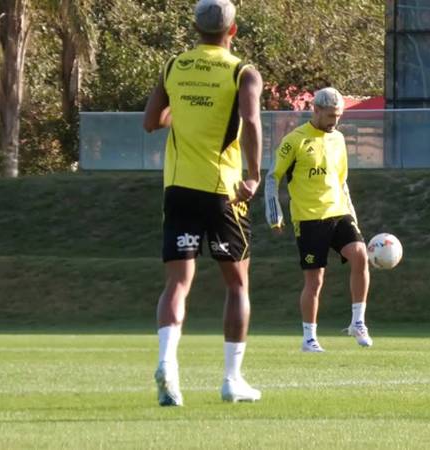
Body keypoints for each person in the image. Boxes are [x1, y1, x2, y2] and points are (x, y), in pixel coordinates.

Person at [142, 0, 263, 405]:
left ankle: (168, 365)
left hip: (178, 188)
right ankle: (232, 379)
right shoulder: (242, 71)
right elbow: (250, 122)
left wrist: (185, 114)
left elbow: (151, 121)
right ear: (233, 30)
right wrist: (253, 174)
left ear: (195, 29)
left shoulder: (175, 65)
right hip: (223, 190)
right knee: (237, 284)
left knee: (177, 284)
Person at [265, 87, 372, 353]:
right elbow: (272, 177)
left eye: (338, 116)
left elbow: (342, 180)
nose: (334, 121)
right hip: (309, 218)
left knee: (360, 254)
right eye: (330, 115)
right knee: (315, 280)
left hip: (338, 211)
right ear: (315, 110)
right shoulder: (295, 140)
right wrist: (274, 212)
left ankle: (357, 322)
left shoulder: (338, 139)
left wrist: (353, 215)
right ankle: (309, 338)